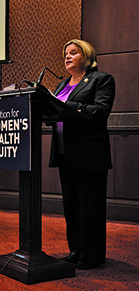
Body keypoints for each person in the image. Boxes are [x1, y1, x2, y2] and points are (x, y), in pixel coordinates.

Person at [49, 39, 115, 270]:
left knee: (90, 206)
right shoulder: (61, 85)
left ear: (86, 56)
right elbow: (54, 114)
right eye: (65, 54)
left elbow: (100, 111)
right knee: (72, 205)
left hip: (89, 153)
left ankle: (92, 255)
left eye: (73, 53)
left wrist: (70, 107)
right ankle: (76, 250)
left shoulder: (101, 79)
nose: (67, 57)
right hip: (65, 152)